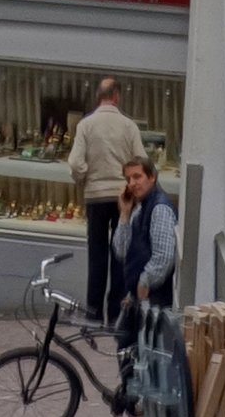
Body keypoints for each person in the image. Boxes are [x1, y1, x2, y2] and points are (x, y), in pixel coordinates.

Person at [67, 77, 143, 325]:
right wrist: (131, 186)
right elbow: (141, 160)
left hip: (95, 197)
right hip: (123, 197)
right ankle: (115, 313)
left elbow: (75, 163)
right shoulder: (129, 126)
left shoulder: (86, 126)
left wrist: (84, 179)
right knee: (120, 254)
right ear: (117, 96)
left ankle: (94, 312)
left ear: (98, 96)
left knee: (96, 255)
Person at [109, 151, 180, 367]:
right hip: (139, 298)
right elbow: (121, 250)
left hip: (155, 299)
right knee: (127, 349)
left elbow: (163, 255)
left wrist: (144, 282)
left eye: (137, 177)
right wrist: (124, 213)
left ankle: (131, 399)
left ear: (152, 177)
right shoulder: (139, 209)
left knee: (140, 357)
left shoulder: (159, 208)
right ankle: (128, 397)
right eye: (128, 179)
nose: (132, 183)